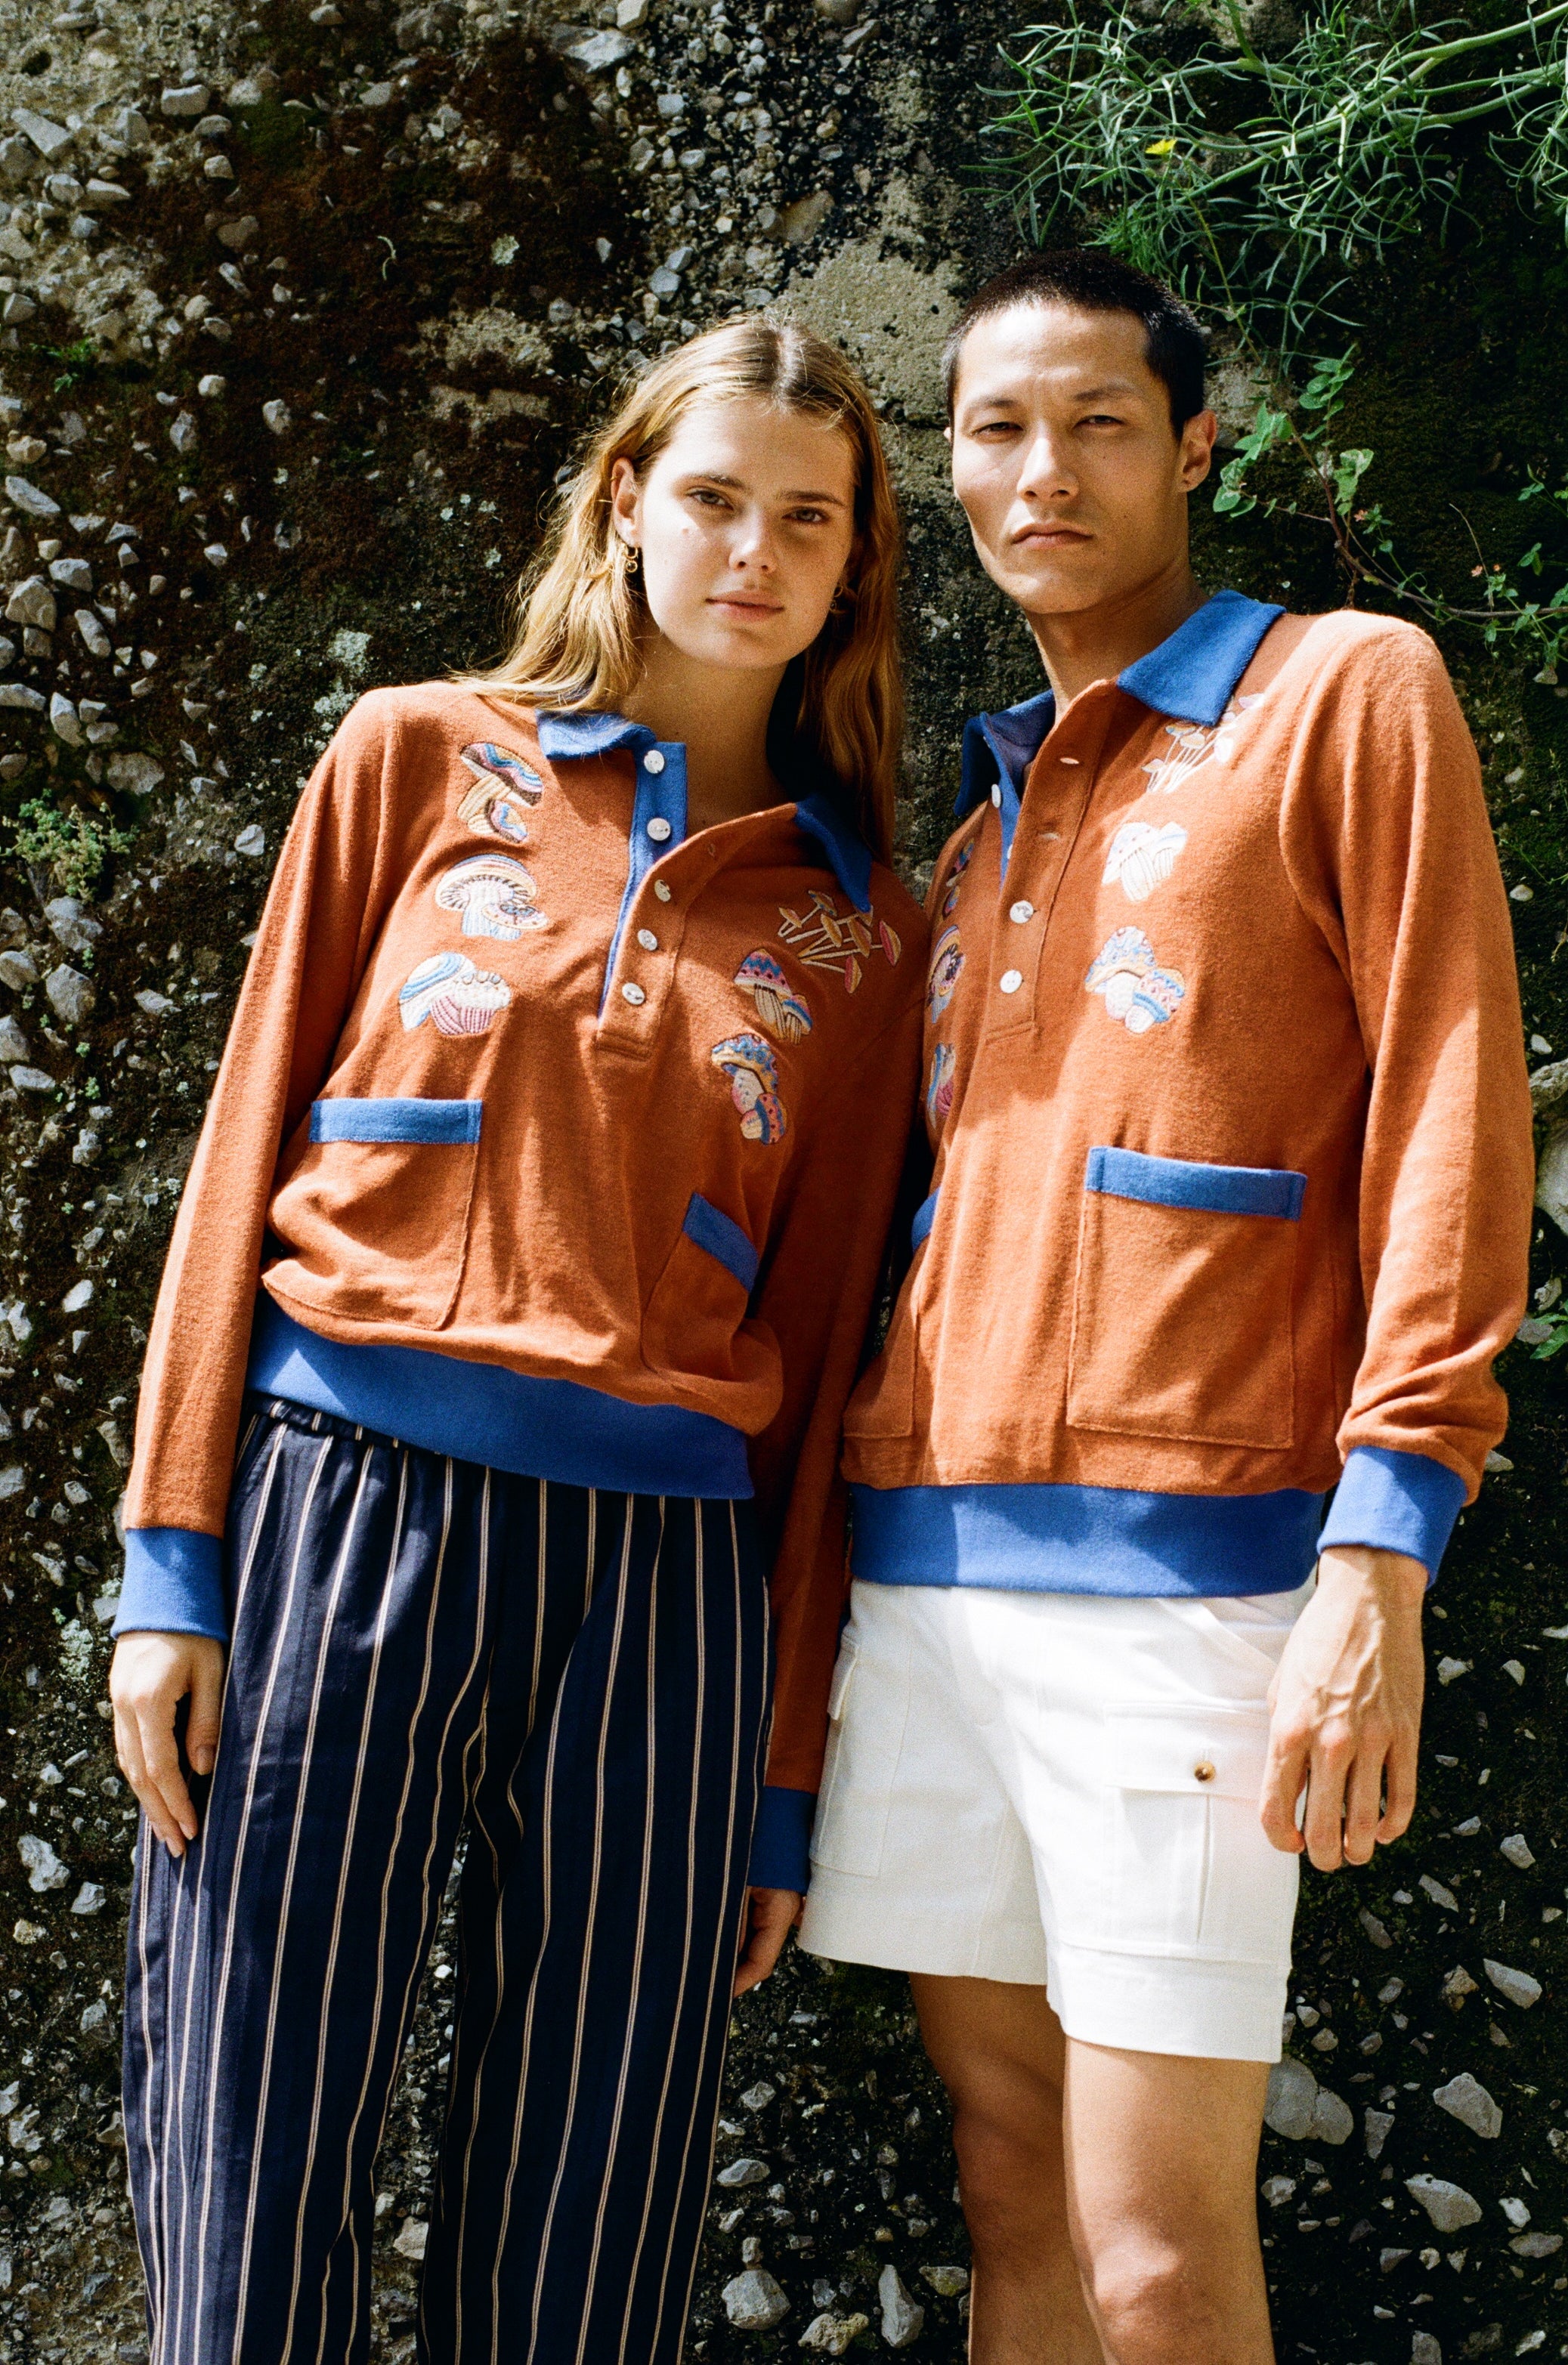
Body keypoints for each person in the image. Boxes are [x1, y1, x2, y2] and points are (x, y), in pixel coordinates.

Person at [107, 314, 925, 2365]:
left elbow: (826, 1374)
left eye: (805, 518)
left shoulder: (866, 930)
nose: (753, 545)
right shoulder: (414, 756)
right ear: (626, 499)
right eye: (715, 493)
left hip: (667, 1583)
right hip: (342, 1510)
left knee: (597, 2202)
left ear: (850, 570)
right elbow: (237, 1154)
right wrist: (171, 1558)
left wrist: (779, 1771)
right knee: (254, 2123)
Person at [798, 249, 1534, 2364]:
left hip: (1191, 1590)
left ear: (1194, 447)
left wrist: (1381, 1547)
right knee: (1006, 2185)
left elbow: (1446, 1119)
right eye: (996, 430)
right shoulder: (968, 833)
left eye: (1097, 423)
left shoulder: (1344, 692)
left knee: (1151, 2253)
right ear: (948, 467)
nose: (1042, 469)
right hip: (920, 1580)